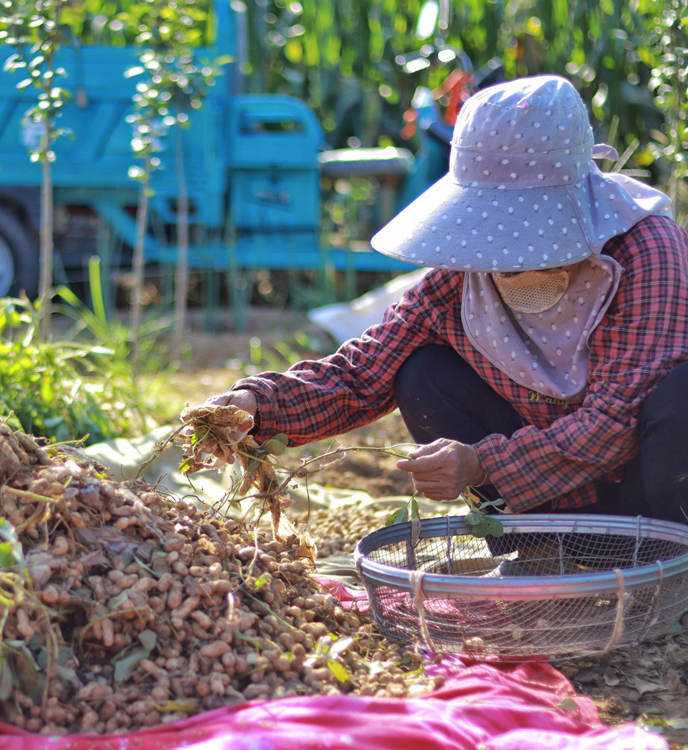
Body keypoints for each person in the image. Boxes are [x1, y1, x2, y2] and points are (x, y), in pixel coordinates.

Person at [202, 74, 688, 526]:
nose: (505, 251)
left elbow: (618, 414)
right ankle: (534, 541)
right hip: (543, 498)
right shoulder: (460, 279)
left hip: (651, 487)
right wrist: (256, 407)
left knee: (680, 394)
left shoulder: (643, 249)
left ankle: (667, 566)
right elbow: (362, 373)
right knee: (423, 374)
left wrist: (482, 463)